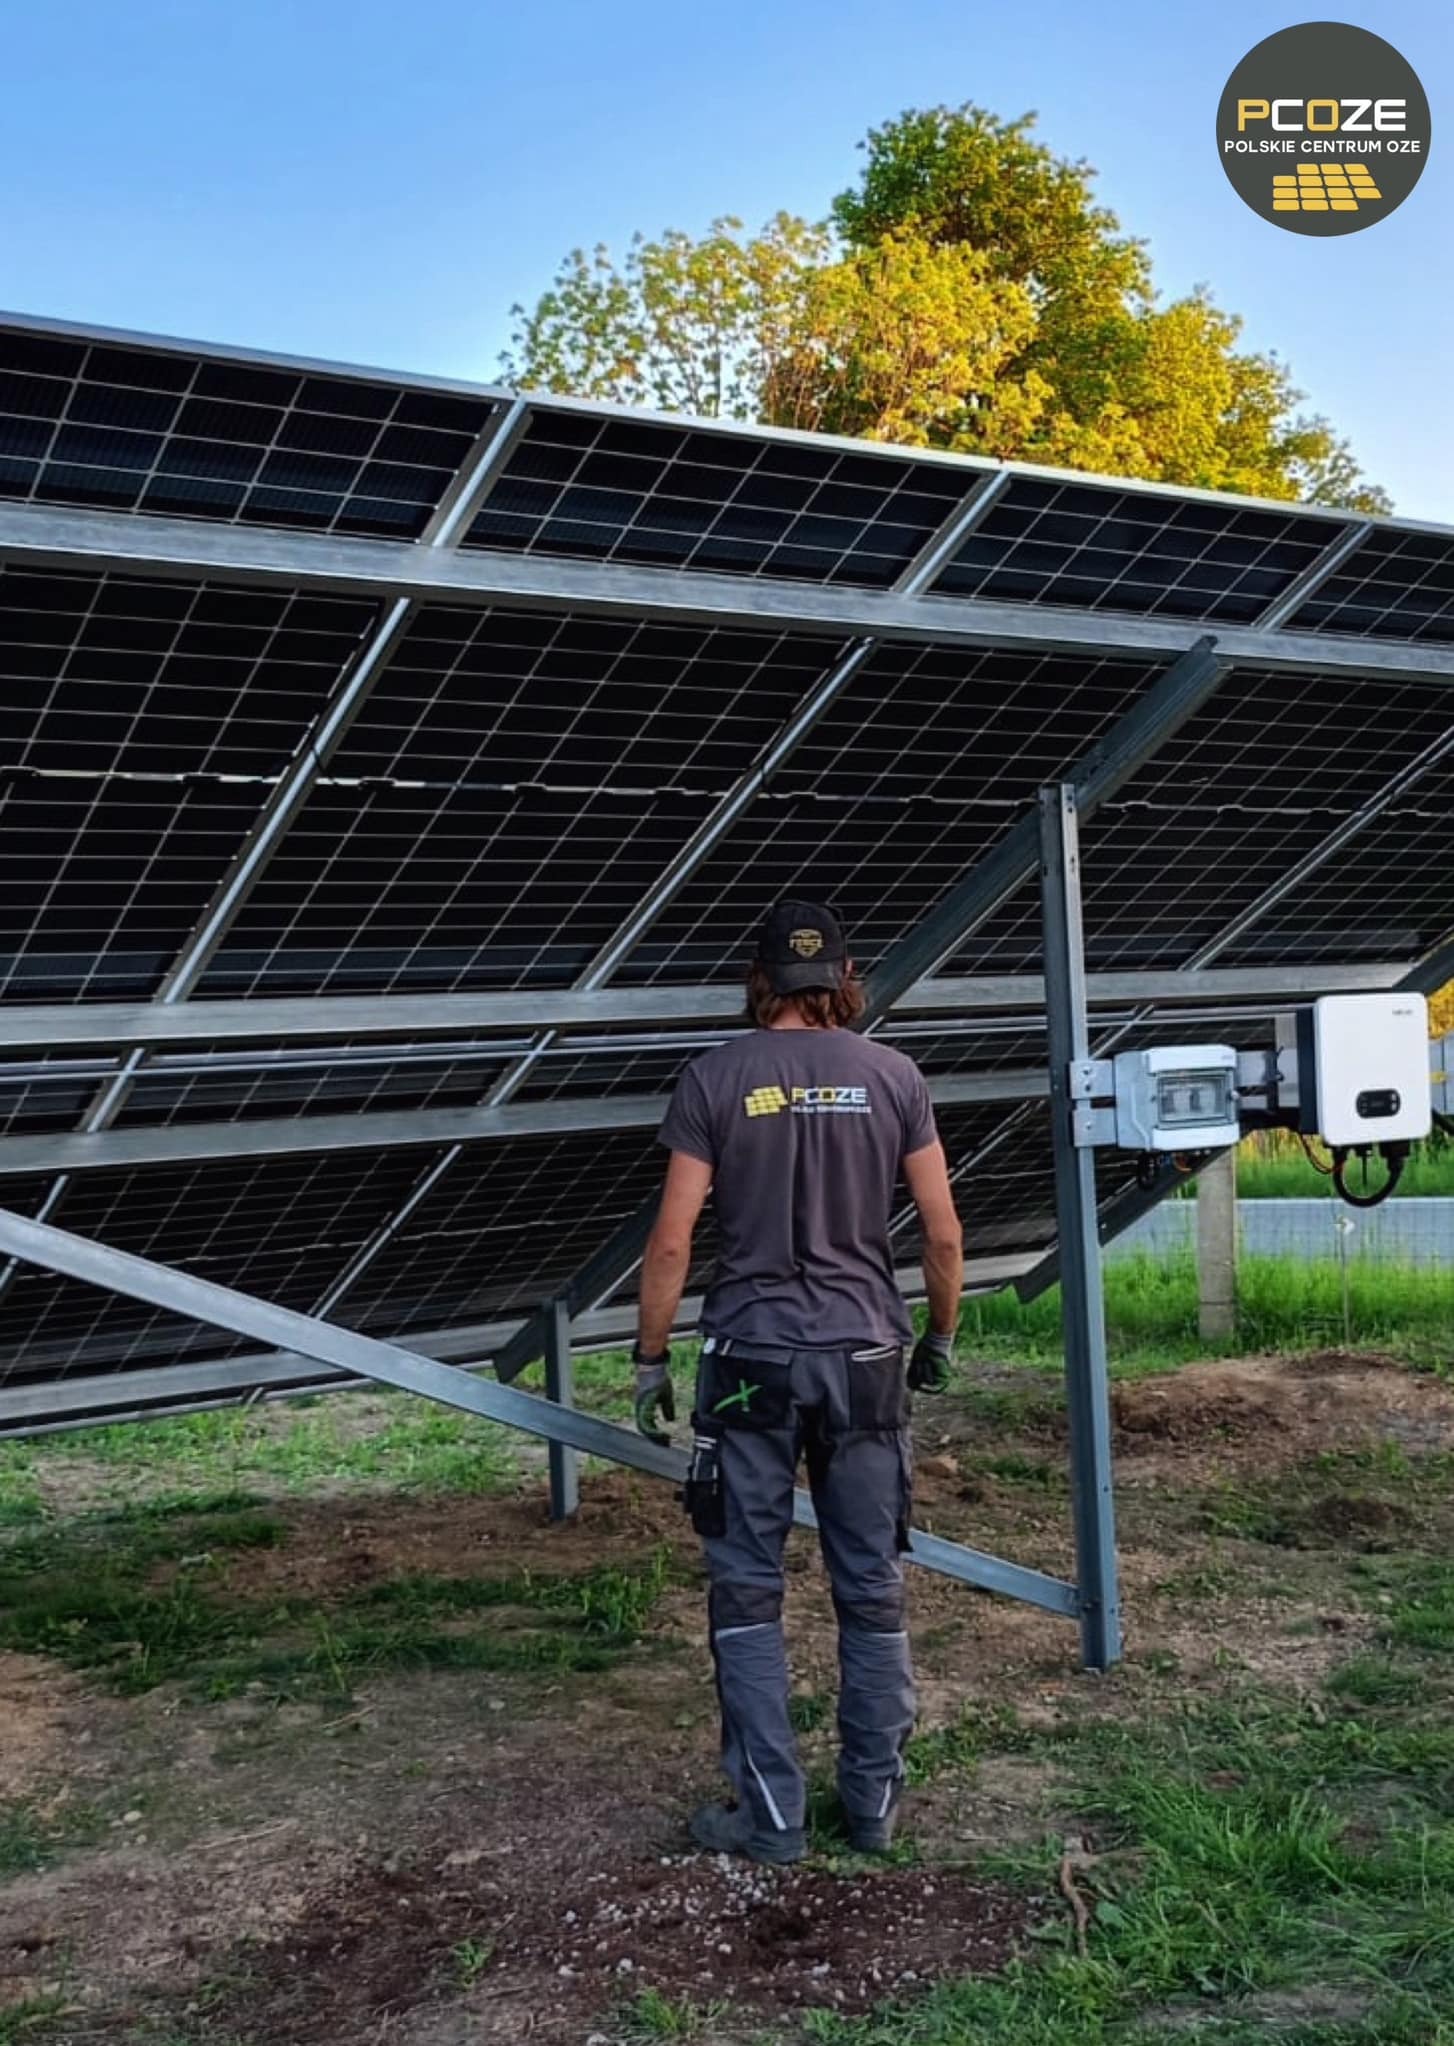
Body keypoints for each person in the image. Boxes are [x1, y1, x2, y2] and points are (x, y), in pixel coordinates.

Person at [630, 898, 964, 1865]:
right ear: (843, 980)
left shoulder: (714, 1078)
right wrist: (938, 1336)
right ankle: (872, 1808)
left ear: (762, 982)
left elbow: (673, 1238)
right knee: (870, 1585)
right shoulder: (893, 1076)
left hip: (748, 1364)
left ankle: (770, 1818)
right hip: (864, 1359)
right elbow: (942, 1232)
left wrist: (652, 1358)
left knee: (745, 1588)